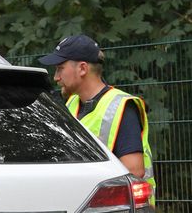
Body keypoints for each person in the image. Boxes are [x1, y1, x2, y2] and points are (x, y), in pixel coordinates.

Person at [38, 34, 156, 201]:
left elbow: (134, 171)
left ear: (82, 68)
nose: (56, 77)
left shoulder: (121, 106)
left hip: (115, 210)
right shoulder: (71, 104)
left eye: (60, 68)